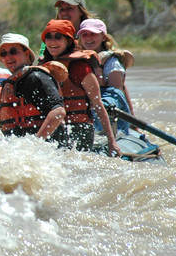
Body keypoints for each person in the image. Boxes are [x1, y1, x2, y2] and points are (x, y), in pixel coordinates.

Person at [40, 19, 121, 157]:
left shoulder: (80, 67)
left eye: (58, 37)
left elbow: (97, 104)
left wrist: (111, 141)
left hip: (79, 130)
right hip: (53, 129)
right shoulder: (43, 66)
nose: (52, 42)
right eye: (49, 36)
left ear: (69, 41)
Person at [0, 33, 67, 142]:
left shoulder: (36, 77)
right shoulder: (14, 82)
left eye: (13, 51)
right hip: (22, 150)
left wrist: (37, 143)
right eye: (4, 53)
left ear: (27, 54)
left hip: (48, 149)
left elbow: (58, 112)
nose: (8, 56)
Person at [77, 18, 134, 134]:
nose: (88, 38)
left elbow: (117, 93)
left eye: (93, 34)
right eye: (85, 34)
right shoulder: (77, 59)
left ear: (103, 37)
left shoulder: (112, 62)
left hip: (106, 101)